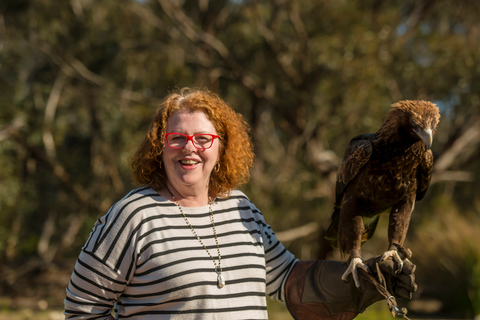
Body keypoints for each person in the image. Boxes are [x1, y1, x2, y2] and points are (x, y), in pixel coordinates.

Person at [64, 87, 417, 319]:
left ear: (221, 147)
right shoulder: (133, 216)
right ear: (160, 146)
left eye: (203, 138)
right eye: (176, 138)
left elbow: (289, 282)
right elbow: (81, 310)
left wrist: (366, 280)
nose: (189, 147)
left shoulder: (241, 208)